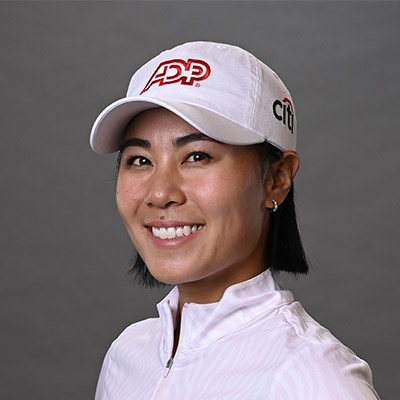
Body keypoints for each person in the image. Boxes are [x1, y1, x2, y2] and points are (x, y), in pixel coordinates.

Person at [90, 41, 380, 399]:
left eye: (197, 156)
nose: (160, 193)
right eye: (139, 160)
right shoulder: (127, 355)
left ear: (277, 179)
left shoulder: (312, 377)